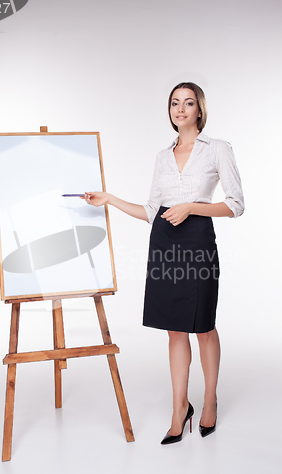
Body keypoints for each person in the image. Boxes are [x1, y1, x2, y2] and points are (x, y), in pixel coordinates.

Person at [82, 82, 244, 444]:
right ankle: (178, 407)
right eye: (175, 103)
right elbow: (151, 211)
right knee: (174, 328)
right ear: (169, 110)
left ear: (200, 110)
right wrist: (109, 198)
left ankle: (210, 400)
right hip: (164, 243)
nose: (181, 109)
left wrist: (191, 207)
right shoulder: (161, 156)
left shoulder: (217, 149)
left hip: (198, 240)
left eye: (188, 103)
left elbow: (235, 205)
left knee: (202, 324)